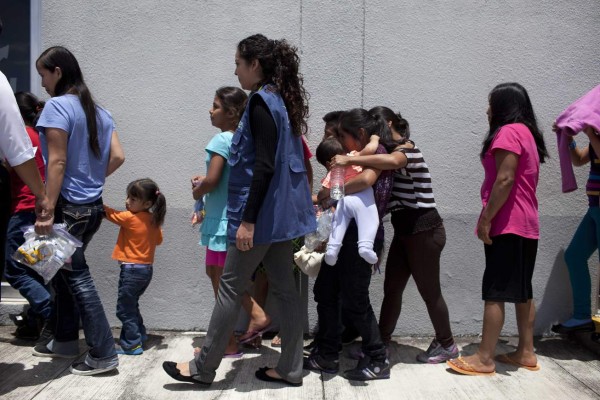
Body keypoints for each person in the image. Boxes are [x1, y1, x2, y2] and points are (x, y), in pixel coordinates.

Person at [163, 33, 315, 387]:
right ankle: (291, 368)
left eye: (237, 64)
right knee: (284, 289)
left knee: (230, 286)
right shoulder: (280, 100)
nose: (235, 72)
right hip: (280, 217)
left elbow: (263, 167)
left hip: (259, 217)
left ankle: (203, 368)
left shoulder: (261, 102)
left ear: (254, 65)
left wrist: (247, 221)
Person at [331, 106, 459, 364]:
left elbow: (394, 162)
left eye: (377, 127)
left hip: (424, 229)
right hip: (405, 231)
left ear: (389, 123)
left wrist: (350, 160)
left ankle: (447, 344)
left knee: (429, 291)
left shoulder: (407, 149)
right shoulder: (384, 151)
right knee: (392, 289)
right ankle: (382, 343)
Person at [32, 46, 125, 376]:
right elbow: (117, 156)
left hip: (67, 209)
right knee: (55, 270)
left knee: (75, 277)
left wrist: (46, 209)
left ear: (57, 72)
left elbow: (56, 161)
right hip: (92, 208)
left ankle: (103, 353)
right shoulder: (99, 112)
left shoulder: (57, 107)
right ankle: (66, 340)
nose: (41, 81)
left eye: (43, 73)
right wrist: (90, 179)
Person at [447, 82, 548, 375]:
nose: (487, 109)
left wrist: (486, 218)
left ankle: (485, 357)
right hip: (527, 221)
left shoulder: (507, 132)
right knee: (522, 289)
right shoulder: (527, 133)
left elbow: (505, 179)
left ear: (503, 106)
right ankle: (526, 352)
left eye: (491, 103)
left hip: (508, 222)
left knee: (495, 290)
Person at [305, 108, 394, 381]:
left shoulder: (376, 154)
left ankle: (378, 358)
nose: (339, 142)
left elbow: (366, 180)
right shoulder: (354, 157)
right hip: (342, 235)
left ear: (362, 135)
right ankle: (328, 354)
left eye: (342, 135)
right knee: (326, 291)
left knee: (355, 299)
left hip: (360, 236)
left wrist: (329, 192)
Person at [191, 86, 270, 356]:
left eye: (215, 106)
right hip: (226, 219)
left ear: (231, 112)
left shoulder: (220, 140)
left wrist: (198, 189)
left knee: (223, 282)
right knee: (218, 276)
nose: (210, 111)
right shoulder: (239, 139)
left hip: (221, 221)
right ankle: (229, 341)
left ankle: (251, 320)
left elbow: (212, 181)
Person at [4, 92, 54, 342]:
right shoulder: (40, 136)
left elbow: (14, 166)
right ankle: (37, 324)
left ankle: (51, 315)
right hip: (37, 210)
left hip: (24, 209)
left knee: (14, 271)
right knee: (35, 270)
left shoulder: (19, 136)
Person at [551, 85, 600, 334]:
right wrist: (568, 139)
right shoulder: (596, 138)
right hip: (594, 209)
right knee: (574, 256)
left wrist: (590, 131)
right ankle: (582, 315)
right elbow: (580, 159)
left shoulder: (597, 136)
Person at [103, 178, 165, 355]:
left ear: (147, 203)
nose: (127, 202)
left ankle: (131, 344)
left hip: (131, 270)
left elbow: (110, 214)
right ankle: (140, 334)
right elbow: (158, 241)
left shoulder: (130, 218)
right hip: (146, 271)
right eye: (128, 197)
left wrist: (96, 203)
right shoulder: (154, 220)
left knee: (124, 310)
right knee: (131, 305)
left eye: (132, 199)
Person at [316, 136, 380, 265]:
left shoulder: (332, 173)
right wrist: (374, 139)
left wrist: (324, 198)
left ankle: (332, 250)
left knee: (338, 223)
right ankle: (365, 246)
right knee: (370, 219)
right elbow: (371, 149)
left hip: (344, 202)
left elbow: (322, 195)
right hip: (361, 196)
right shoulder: (352, 157)